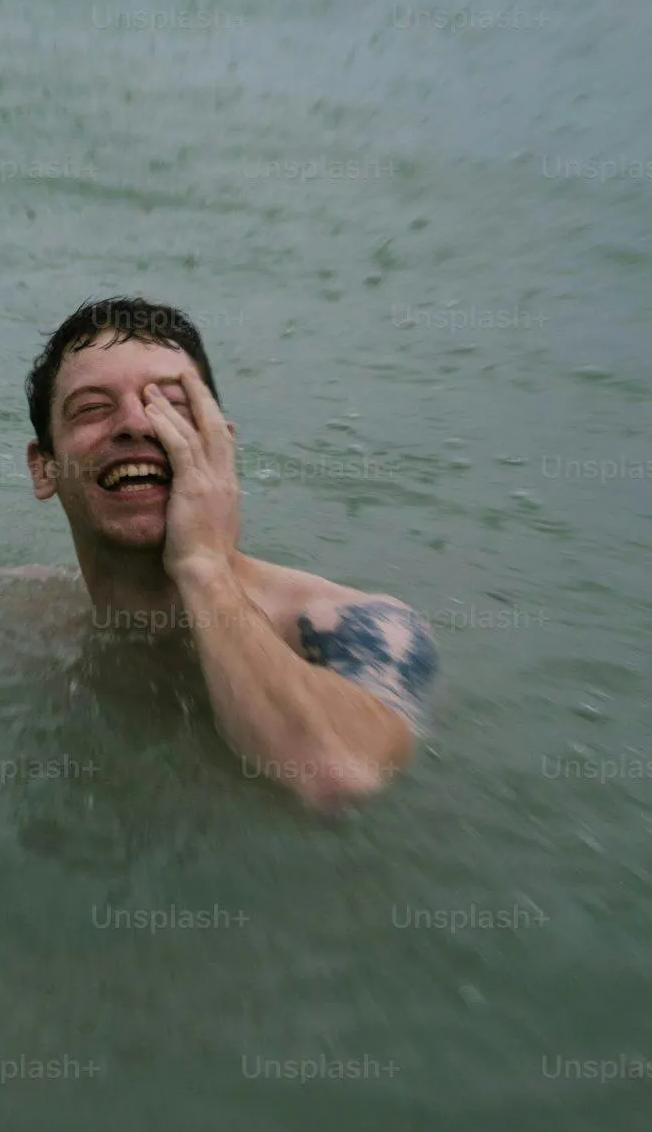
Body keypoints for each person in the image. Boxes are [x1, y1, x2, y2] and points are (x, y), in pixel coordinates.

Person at [23, 297, 432, 810]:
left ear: (221, 446)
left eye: (171, 404)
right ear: (44, 469)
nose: (137, 424)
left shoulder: (362, 627)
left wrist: (203, 565)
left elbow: (333, 773)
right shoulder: (30, 617)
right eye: (91, 409)